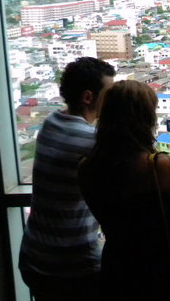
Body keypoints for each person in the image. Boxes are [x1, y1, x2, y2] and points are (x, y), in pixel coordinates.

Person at [79, 80, 170, 300]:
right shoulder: (156, 166)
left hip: (117, 263)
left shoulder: (87, 168)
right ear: (145, 118)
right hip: (162, 263)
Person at [19, 57, 115, 301]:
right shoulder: (91, 140)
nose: (112, 100)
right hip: (71, 265)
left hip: (34, 255)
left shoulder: (50, 123)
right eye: (108, 93)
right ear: (88, 97)